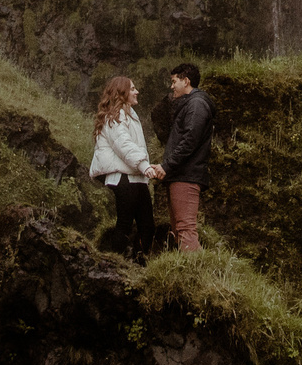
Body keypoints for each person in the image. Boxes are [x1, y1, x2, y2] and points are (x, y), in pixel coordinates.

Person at [145, 62, 214, 252]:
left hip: (186, 175)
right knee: (179, 229)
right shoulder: (190, 104)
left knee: (185, 230)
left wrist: (166, 166)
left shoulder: (197, 104)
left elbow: (190, 140)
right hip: (180, 175)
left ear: (186, 81)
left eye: (174, 81)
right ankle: (191, 273)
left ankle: (202, 276)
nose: (171, 86)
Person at [88, 74, 157, 258]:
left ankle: (140, 263)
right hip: (123, 178)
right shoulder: (115, 116)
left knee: (147, 225)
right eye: (133, 89)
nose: (137, 92)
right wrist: (145, 166)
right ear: (123, 92)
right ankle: (114, 262)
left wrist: (146, 167)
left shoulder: (130, 115)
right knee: (125, 223)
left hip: (135, 177)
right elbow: (124, 146)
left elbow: (132, 146)